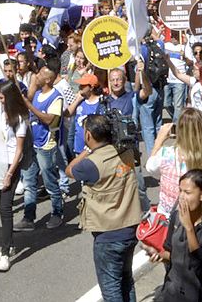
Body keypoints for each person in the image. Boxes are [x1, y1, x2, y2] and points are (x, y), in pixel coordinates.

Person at [68, 114, 142, 302]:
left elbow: (70, 171)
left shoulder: (91, 163)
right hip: (130, 228)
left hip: (108, 235)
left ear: (88, 135)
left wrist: (86, 151)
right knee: (126, 281)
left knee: (111, 290)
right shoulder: (126, 152)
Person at [145, 169, 202, 302]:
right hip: (173, 294)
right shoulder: (177, 217)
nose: (181, 197)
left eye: (187, 192)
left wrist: (189, 228)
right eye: (180, 190)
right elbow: (172, 255)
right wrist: (158, 255)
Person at [146, 108, 202, 218]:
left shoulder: (165, 154)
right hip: (199, 217)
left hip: (168, 217)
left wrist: (158, 141)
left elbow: (150, 168)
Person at [18, 66, 65, 231]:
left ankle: (57, 213)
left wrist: (29, 106)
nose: (36, 76)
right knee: (29, 182)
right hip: (34, 144)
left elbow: (49, 120)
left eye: (39, 74)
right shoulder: (37, 94)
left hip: (47, 145)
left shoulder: (56, 98)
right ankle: (28, 217)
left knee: (50, 181)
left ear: (48, 80)